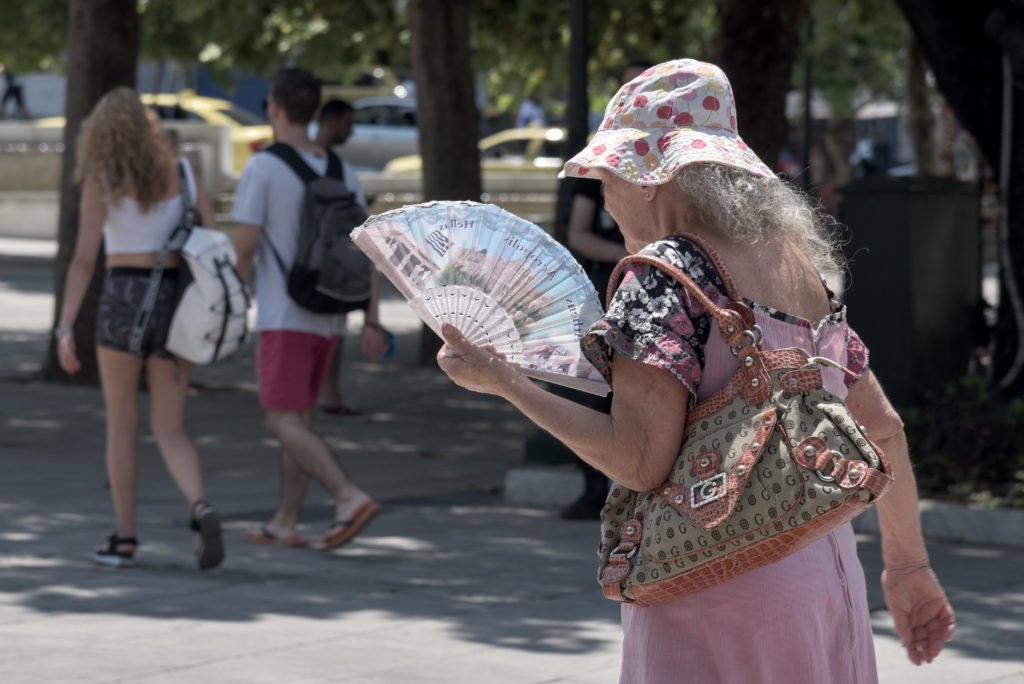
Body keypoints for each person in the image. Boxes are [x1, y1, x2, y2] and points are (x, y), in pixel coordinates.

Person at [437, 59, 955, 682]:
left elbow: (638, 459)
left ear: (649, 176)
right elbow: (884, 429)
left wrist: (504, 380)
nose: (604, 197)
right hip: (825, 577)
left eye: (606, 176)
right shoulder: (799, 271)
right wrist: (906, 567)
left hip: (715, 587)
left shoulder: (662, 275)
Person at [56, 87, 225, 570]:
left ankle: (125, 537)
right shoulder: (184, 174)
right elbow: (214, 238)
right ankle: (200, 506)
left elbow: (85, 258)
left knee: (121, 425)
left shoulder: (101, 180)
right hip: (175, 300)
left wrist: (65, 327)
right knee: (170, 427)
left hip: (121, 299)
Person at [232, 68, 389, 550]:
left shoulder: (262, 168)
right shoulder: (341, 171)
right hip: (330, 316)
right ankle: (285, 521)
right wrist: (372, 318)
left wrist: (223, 308)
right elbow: (370, 251)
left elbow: (243, 250)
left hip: (285, 316)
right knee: (298, 417)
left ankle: (347, 497)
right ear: (316, 112)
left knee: (279, 419)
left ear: (274, 108)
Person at [560, 61, 651, 520]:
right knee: (592, 389)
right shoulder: (597, 161)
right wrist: (631, 253)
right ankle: (595, 487)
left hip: (654, 295)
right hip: (606, 290)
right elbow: (578, 233)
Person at [313, 99, 364, 417]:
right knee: (331, 332)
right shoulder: (339, 169)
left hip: (318, 263)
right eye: (347, 123)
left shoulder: (335, 167)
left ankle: (327, 395)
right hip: (330, 264)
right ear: (330, 121)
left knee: (331, 331)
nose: (351, 131)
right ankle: (327, 395)